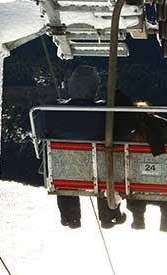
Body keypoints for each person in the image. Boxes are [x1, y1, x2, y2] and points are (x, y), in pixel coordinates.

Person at [54, 65, 128, 229]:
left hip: (65, 170)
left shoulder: (55, 111)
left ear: (71, 85)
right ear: (94, 88)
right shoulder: (105, 113)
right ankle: (109, 214)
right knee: (104, 170)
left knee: (61, 169)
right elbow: (120, 133)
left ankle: (70, 217)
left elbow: (42, 132)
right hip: (99, 169)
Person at [114, 91, 167, 233]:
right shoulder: (164, 125)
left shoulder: (129, 132)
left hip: (136, 181)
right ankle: (166, 221)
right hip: (164, 180)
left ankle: (138, 219)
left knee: (133, 181)